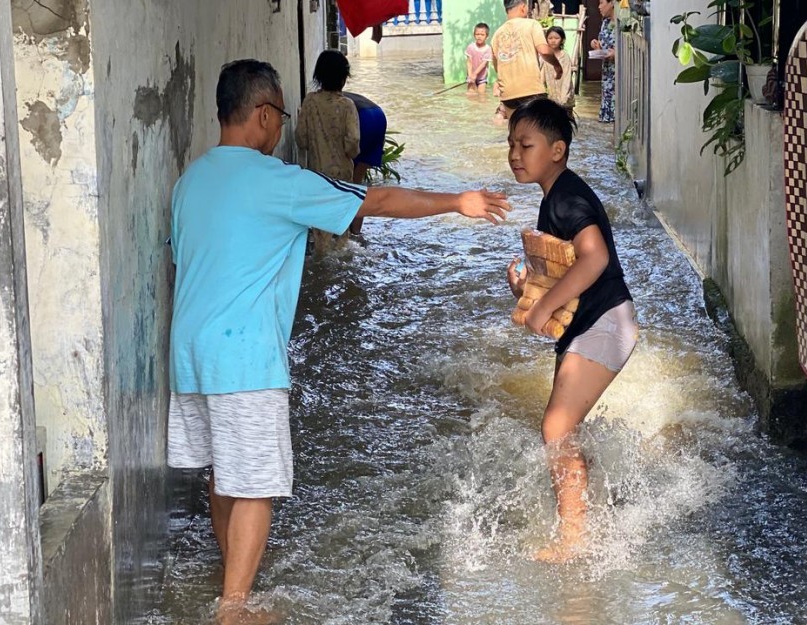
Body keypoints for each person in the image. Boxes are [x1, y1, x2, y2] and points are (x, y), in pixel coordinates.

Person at [168, 59, 509, 623]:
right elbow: (371, 200)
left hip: (191, 356)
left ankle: (232, 577)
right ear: (260, 113)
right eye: (279, 114)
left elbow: (189, 262)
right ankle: (234, 607)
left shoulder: (190, 181)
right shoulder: (276, 180)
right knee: (254, 482)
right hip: (244, 356)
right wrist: (457, 201)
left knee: (222, 473)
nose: (281, 127)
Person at [504, 99, 636, 563]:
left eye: (526, 144)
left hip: (605, 322)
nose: (515, 154)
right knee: (565, 428)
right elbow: (567, 271)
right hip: (590, 325)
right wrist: (529, 288)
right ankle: (591, 520)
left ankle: (574, 540)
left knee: (557, 426)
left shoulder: (568, 197)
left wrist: (543, 304)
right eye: (511, 144)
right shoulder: (554, 196)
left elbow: (595, 257)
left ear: (557, 150)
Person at [490, 0, 563, 122]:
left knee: (516, 132)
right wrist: (557, 66)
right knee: (537, 131)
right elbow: (544, 51)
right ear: (523, 7)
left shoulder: (497, 34)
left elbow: (497, 65)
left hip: (508, 94)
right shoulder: (532, 24)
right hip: (530, 89)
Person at [295, 50, 359, 182]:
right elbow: (353, 141)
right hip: (342, 179)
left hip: (316, 176)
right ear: (344, 77)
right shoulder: (347, 105)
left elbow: (301, 139)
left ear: (319, 76)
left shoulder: (309, 101)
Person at [342, 91, 388, 235]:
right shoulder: (341, 95)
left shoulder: (324, 101)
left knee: (346, 185)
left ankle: (344, 233)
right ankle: (356, 233)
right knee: (357, 183)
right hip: (378, 115)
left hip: (362, 118)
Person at [590, 0, 616, 123]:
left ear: (611, 3)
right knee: (607, 95)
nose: (599, 7)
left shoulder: (625, 24)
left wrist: (616, 54)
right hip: (607, 70)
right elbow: (603, 44)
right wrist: (597, 46)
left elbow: (628, 47)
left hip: (619, 71)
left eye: (601, 3)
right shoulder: (605, 22)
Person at [542, 26, 575, 119]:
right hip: (552, 97)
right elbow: (542, 77)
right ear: (546, 39)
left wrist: (563, 99)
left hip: (566, 97)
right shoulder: (546, 57)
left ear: (562, 40)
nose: (553, 41)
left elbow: (567, 78)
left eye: (556, 38)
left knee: (567, 121)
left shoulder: (564, 56)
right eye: (550, 38)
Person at [465, 23, 493, 97]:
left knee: (481, 96)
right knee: (471, 96)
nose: (479, 36)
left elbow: (483, 64)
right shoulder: (471, 47)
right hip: (471, 76)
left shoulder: (488, 49)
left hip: (482, 78)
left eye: (482, 34)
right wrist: (470, 75)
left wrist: (475, 74)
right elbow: (469, 62)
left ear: (487, 37)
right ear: (474, 35)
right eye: (477, 34)